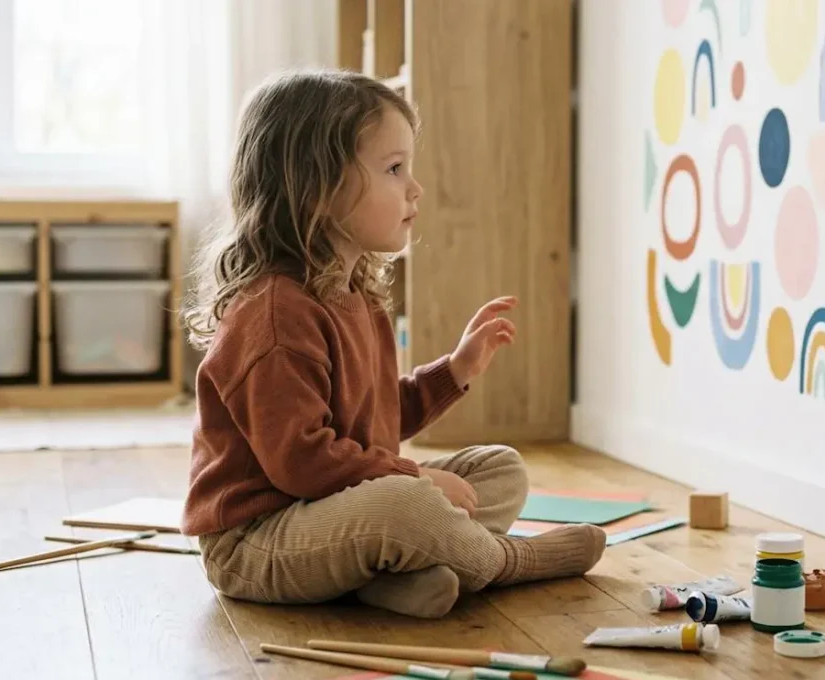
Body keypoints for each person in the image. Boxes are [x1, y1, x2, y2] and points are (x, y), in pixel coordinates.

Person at [177, 69, 605, 619]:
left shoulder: (357, 293)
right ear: (318, 187)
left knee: (498, 468)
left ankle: (396, 575)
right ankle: (506, 562)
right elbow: (303, 462)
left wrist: (455, 369)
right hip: (259, 542)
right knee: (407, 502)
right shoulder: (275, 315)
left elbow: (373, 423)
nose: (416, 187)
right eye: (394, 169)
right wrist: (418, 478)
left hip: (332, 511)